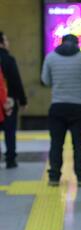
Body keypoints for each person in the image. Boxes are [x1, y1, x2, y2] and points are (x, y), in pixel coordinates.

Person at [41, 34, 81, 187]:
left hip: (57, 107)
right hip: (78, 107)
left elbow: (45, 80)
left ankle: (53, 178)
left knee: (56, 144)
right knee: (79, 144)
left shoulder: (50, 57)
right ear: (77, 44)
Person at [0, 31, 28, 169]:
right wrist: (22, 100)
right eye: (6, 40)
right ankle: (10, 159)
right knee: (9, 131)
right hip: (8, 102)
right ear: (1, 43)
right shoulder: (8, 60)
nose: (8, 43)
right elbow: (16, 81)